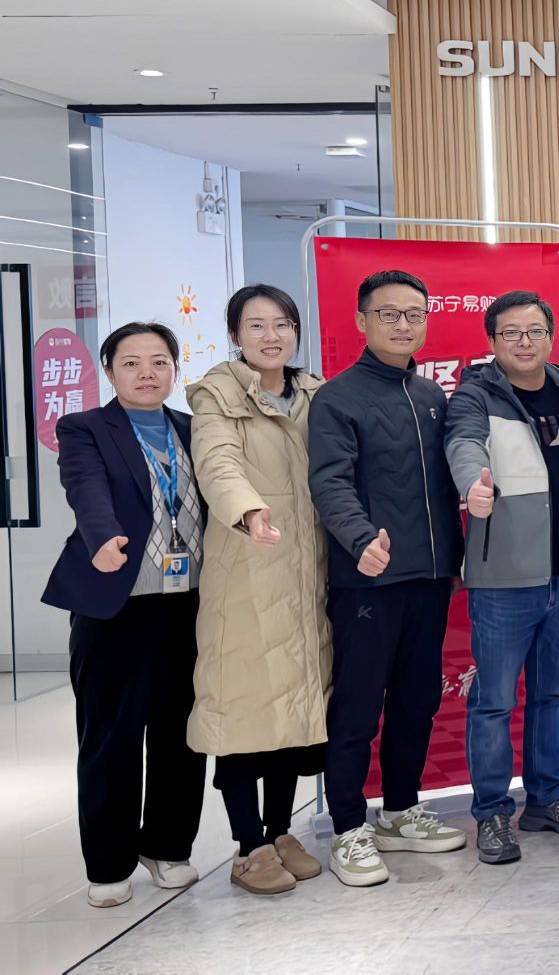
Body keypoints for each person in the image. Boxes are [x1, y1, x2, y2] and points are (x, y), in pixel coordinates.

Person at [309, 270, 467, 887]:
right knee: (357, 706)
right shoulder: (338, 398)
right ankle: (349, 829)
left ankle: (400, 811)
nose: (403, 324)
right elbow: (330, 481)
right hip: (368, 579)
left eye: (414, 314)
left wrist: (457, 556)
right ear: (362, 321)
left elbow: (445, 484)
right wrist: (359, 539)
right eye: (389, 314)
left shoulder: (432, 396)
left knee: (417, 700)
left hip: (429, 577)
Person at [43, 322, 207, 909]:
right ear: (110, 371)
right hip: (115, 605)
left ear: (175, 370)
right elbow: (85, 488)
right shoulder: (84, 427)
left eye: (159, 362)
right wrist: (102, 536)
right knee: (111, 734)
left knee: (180, 731)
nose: (146, 373)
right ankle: (109, 861)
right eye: (131, 363)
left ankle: (167, 846)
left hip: (189, 602)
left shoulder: (194, 429)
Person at [446, 291, 559, 865]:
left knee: (554, 695)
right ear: (492, 341)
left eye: (535, 331)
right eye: (510, 333)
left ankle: (547, 798)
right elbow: (463, 444)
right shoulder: (475, 394)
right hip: (504, 576)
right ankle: (491, 812)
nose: (524, 342)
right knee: (492, 702)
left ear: (551, 336)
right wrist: (473, 485)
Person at [186, 287, 330, 896]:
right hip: (248, 573)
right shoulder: (217, 395)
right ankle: (248, 845)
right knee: (243, 711)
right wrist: (247, 511)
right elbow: (217, 463)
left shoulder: (315, 394)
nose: (272, 336)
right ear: (235, 335)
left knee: (292, 715)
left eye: (283, 324)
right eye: (256, 325)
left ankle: (280, 831)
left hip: (306, 573)